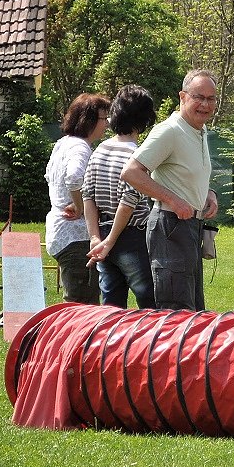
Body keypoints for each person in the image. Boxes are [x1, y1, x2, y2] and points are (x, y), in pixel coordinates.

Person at [120, 69, 219, 310]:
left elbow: (185, 173)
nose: (205, 105)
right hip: (171, 225)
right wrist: (174, 200)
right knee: (176, 312)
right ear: (182, 97)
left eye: (211, 99)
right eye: (199, 97)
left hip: (190, 227)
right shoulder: (170, 130)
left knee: (193, 311)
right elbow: (131, 172)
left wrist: (208, 193)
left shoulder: (198, 129)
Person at [82, 85, 157, 308]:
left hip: (102, 232)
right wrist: (110, 241)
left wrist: (96, 238)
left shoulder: (99, 150)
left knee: (111, 307)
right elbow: (128, 202)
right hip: (131, 236)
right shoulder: (136, 156)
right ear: (144, 118)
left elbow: (88, 195)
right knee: (150, 302)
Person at [44, 93, 110, 304]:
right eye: (103, 118)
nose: (107, 124)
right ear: (88, 120)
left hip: (61, 233)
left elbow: (50, 177)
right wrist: (80, 207)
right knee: (82, 306)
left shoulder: (63, 143)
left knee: (77, 303)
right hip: (75, 237)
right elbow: (73, 177)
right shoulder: (80, 147)